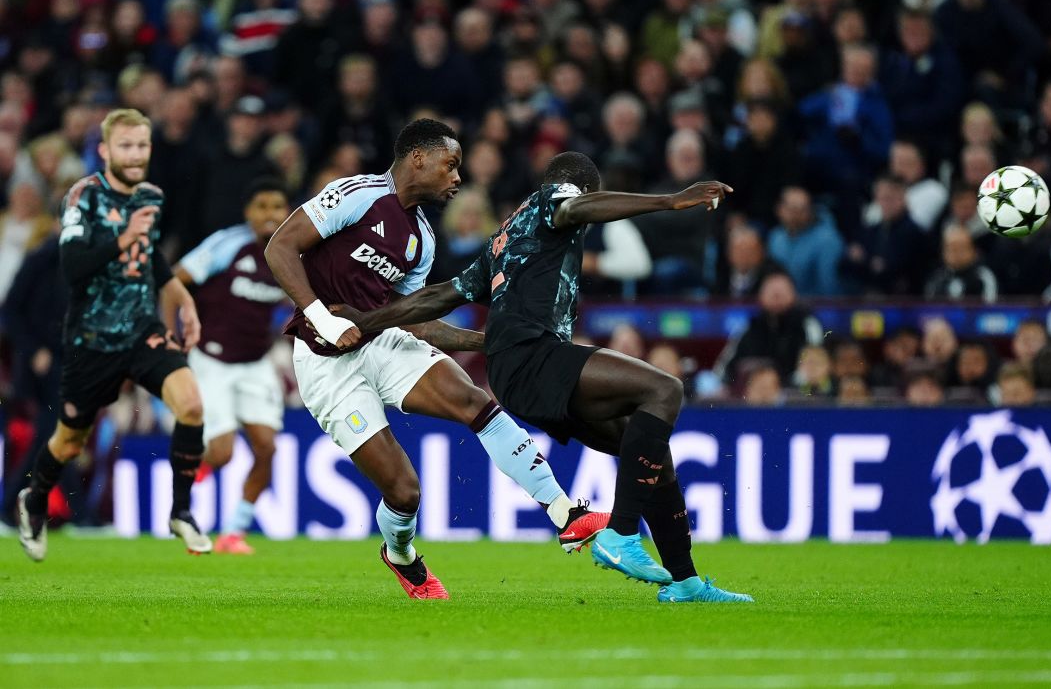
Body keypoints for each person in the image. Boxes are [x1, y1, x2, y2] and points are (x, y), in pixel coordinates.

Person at [330, 152, 752, 603]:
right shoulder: (554, 198)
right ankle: (621, 535)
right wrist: (670, 202)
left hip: (516, 374)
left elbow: (438, 296)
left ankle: (685, 583)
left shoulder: (503, 238)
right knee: (664, 389)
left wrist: (368, 320)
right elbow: (573, 208)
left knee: (649, 451)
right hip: (536, 357)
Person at [263, 120, 606, 600]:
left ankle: (564, 512)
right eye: (451, 164)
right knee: (405, 493)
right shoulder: (357, 194)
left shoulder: (421, 239)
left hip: (380, 343)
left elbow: (416, 321)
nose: (458, 177)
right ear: (418, 157)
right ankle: (400, 554)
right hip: (325, 364)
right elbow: (280, 246)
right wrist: (320, 316)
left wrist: (496, 340)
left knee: (474, 401)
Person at [17, 108, 211, 561]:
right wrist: (123, 237)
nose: (136, 154)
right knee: (68, 440)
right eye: (126, 145)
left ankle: (181, 511)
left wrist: (182, 298)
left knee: (192, 404)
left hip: (142, 330)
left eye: (142, 145)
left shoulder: (151, 197)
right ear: (104, 150)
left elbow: (151, 260)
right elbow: (73, 267)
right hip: (92, 340)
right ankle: (33, 498)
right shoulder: (83, 197)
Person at [171, 178, 291, 555]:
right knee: (222, 453)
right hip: (211, 360)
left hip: (255, 362)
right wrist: (175, 326)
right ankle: (187, 491)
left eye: (277, 206)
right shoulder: (229, 243)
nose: (270, 214)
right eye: (262, 206)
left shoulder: (293, 252)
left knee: (267, 448)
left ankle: (233, 534)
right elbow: (176, 278)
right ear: (248, 213)